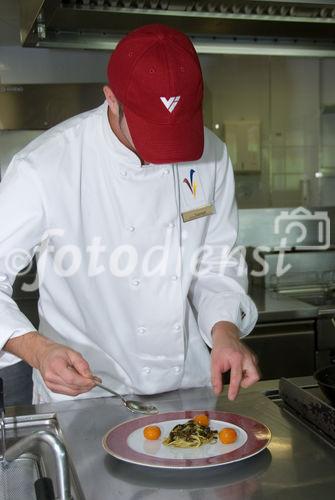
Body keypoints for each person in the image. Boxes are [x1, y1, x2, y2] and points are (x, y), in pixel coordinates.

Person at [0, 24, 259, 405]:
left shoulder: (212, 154)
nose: (167, 149)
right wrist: (38, 350)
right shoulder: (44, 166)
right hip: (85, 395)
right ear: (111, 98)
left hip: (186, 388)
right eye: (151, 130)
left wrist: (224, 330)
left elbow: (216, 263)